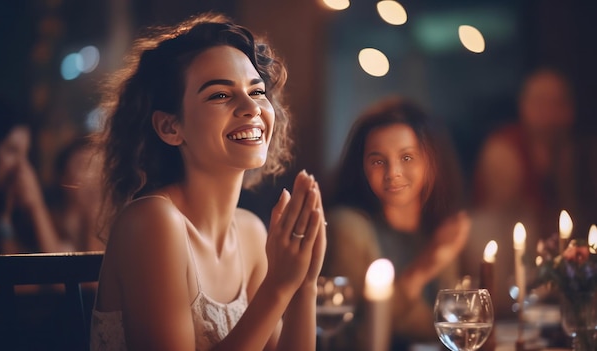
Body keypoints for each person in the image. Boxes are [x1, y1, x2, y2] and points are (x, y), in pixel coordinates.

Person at [90, 13, 327, 351]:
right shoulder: (152, 222)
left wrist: (304, 284)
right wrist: (277, 286)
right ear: (171, 128)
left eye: (257, 91)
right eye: (220, 95)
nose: (252, 108)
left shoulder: (250, 232)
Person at [322, 95, 471, 350]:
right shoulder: (349, 228)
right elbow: (352, 339)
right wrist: (425, 266)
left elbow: (450, 330)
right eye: (378, 161)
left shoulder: (438, 228)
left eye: (407, 157)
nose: (393, 173)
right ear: (363, 167)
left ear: (431, 161)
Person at [467, 67, 597, 318]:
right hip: (510, 272)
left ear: (569, 111)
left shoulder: (579, 154)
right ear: (523, 106)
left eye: (555, 103)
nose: (546, 112)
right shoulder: (503, 149)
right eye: (538, 102)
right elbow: (508, 218)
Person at [0, 96, 69, 254]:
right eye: (11, 151)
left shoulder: (8, 213)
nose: (21, 167)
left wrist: (35, 206)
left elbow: (57, 271)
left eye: (25, 154)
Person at [48, 136, 105, 251]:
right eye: (84, 166)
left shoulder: (110, 227)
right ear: (64, 177)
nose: (93, 177)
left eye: (98, 168)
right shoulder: (51, 224)